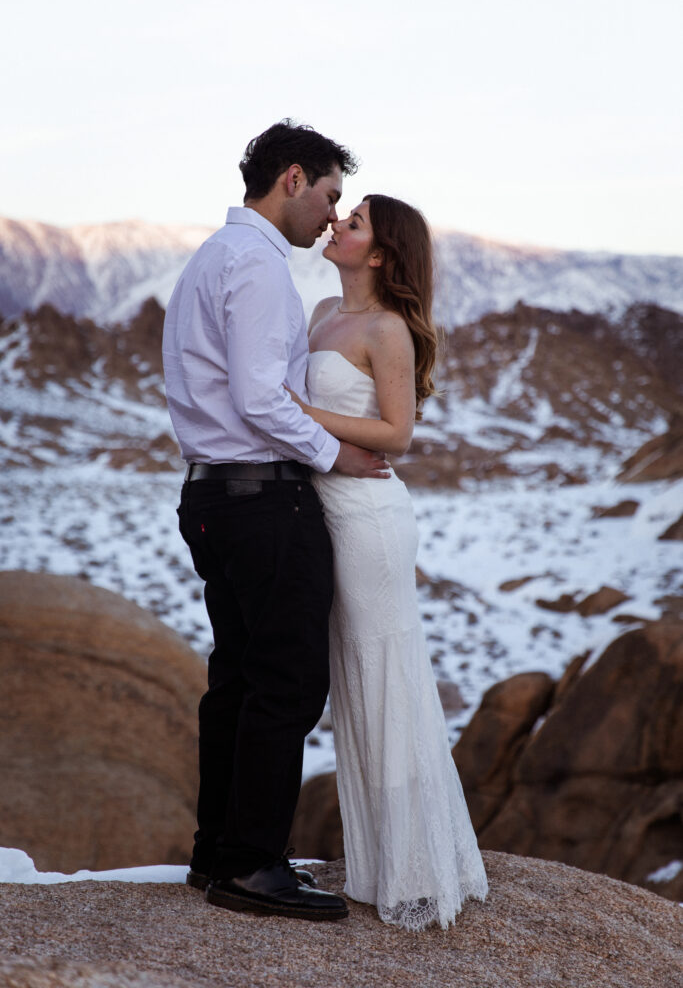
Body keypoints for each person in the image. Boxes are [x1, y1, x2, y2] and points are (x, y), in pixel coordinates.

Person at [162, 121, 390, 923]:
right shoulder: (255, 264)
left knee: (240, 678)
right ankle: (253, 865)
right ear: (292, 179)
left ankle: (216, 853)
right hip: (262, 498)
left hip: (215, 497)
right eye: (330, 195)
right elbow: (261, 398)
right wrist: (334, 454)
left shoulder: (213, 256)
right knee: (286, 680)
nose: (332, 216)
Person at [287, 194, 489, 931]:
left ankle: (419, 869)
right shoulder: (317, 316)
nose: (338, 223)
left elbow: (396, 433)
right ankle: (376, 865)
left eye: (357, 221)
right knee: (352, 676)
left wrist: (298, 414)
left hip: (369, 517)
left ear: (379, 254)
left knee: (384, 676)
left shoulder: (387, 328)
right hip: (325, 511)